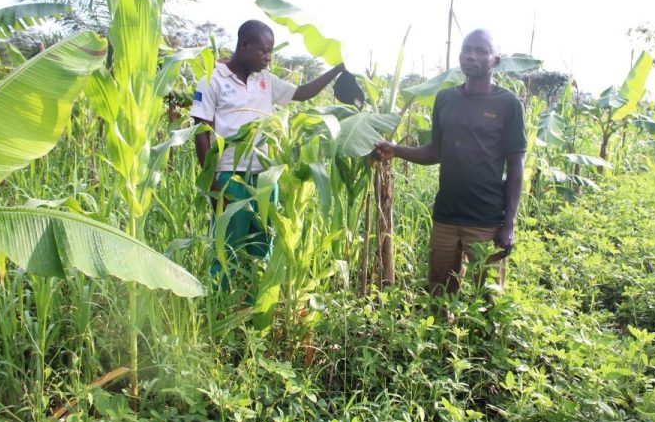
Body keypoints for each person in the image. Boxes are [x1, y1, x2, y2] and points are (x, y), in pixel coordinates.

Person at [374, 29, 526, 309]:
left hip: (486, 220)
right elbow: (435, 152)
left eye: (481, 51)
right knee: (439, 295)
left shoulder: (508, 105)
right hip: (445, 218)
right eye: (467, 50)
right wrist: (396, 150)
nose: (471, 55)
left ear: (496, 60)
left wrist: (509, 223)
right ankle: (444, 351)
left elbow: (516, 166)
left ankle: (485, 350)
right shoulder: (445, 99)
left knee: (489, 301)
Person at [191, 19, 345, 292]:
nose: (268, 57)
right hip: (230, 177)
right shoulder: (212, 78)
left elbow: (301, 93)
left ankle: (255, 302)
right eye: (263, 51)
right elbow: (201, 131)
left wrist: (337, 70)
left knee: (263, 243)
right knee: (227, 246)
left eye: (271, 51)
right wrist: (212, 183)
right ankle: (217, 304)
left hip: (264, 177)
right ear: (244, 45)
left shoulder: (265, 81)